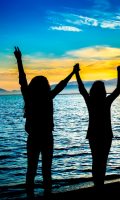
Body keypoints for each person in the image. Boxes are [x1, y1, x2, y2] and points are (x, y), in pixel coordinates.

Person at [14, 47, 79, 195]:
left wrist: (19, 60)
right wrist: (73, 73)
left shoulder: (30, 98)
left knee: (31, 170)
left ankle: (30, 195)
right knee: (46, 171)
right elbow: (62, 85)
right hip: (46, 138)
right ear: (45, 86)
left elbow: (22, 80)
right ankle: (47, 194)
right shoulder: (47, 97)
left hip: (34, 138)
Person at [75, 65, 120, 187]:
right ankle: (100, 182)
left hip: (94, 135)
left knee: (96, 160)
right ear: (103, 90)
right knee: (102, 160)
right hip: (105, 135)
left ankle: (97, 183)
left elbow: (81, 89)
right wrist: (119, 72)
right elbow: (118, 88)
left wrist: (76, 73)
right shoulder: (106, 101)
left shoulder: (91, 101)